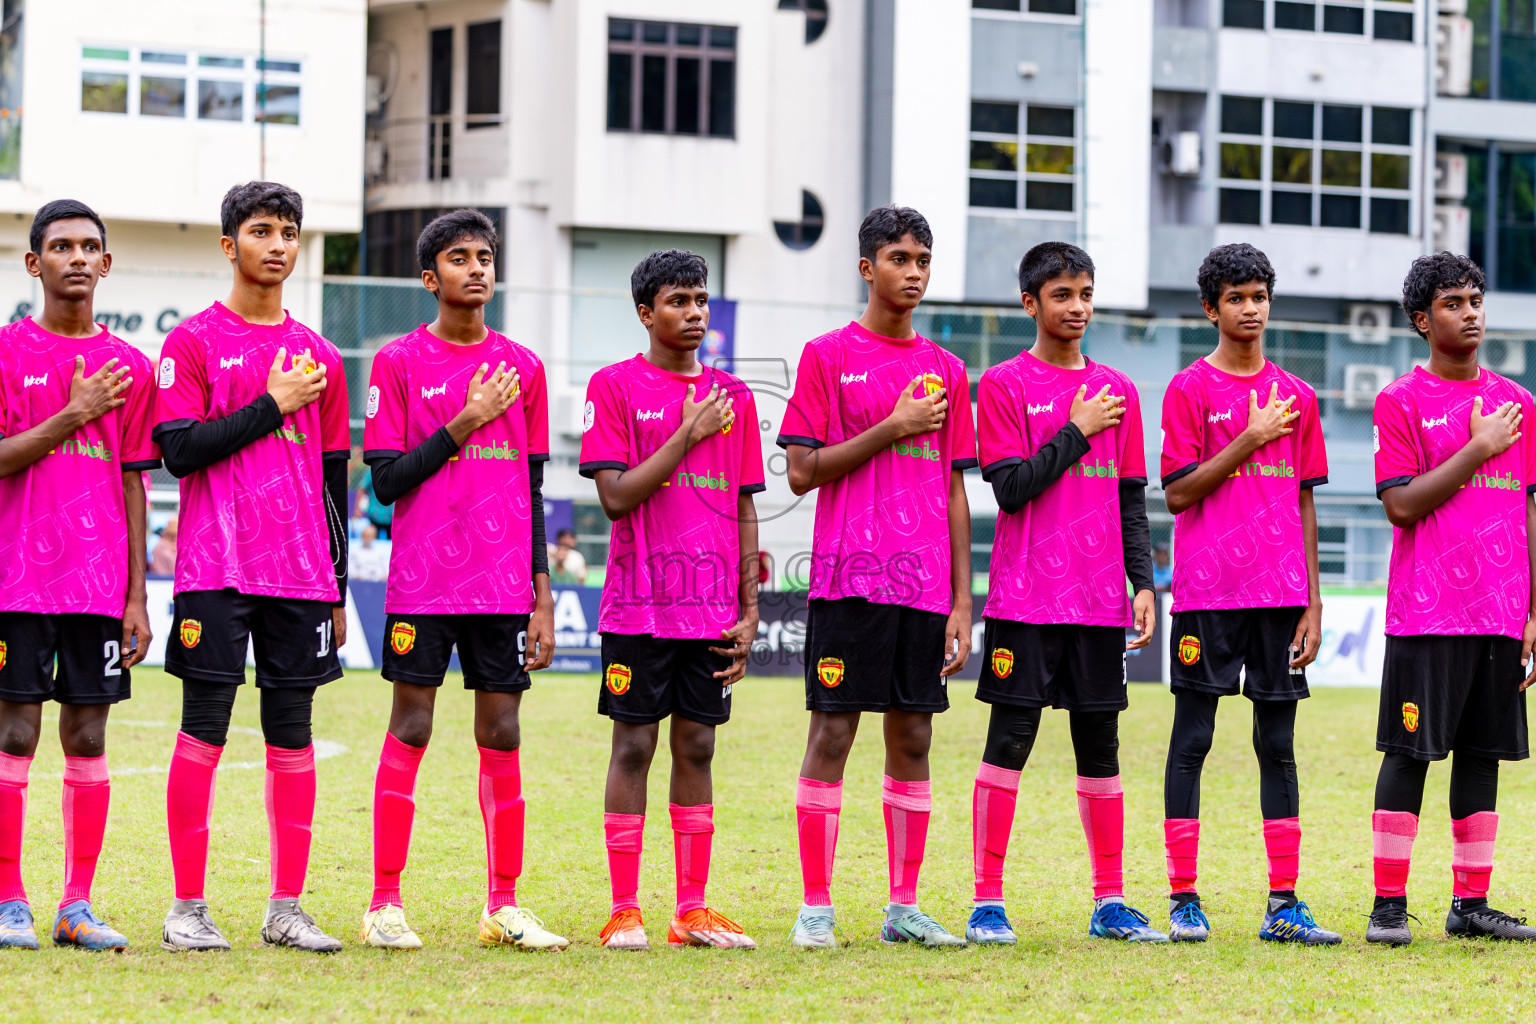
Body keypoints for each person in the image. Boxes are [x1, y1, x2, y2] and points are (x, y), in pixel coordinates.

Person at [154, 181, 351, 953]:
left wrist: (335, 583)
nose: (278, 245)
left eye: (290, 232)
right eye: (262, 231)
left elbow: (335, 479)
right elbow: (179, 450)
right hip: (215, 568)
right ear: (229, 244)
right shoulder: (192, 342)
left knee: (292, 734)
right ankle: (186, 910)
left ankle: (285, 909)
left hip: (300, 577)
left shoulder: (325, 357)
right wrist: (270, 402)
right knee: (203, 729)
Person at [359, 209, 562, 951]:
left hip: (503, 585)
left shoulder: (526, 367)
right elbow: (385, 483)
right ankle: (384, 904)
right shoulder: (398, 363)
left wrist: (540, 591)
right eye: (458, 257)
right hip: (423, 583)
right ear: (429, 277)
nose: (476, 268)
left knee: (502, 730)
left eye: (485, 256)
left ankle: (503, 905)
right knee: (411, 724)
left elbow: (533, 488)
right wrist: (465, 421)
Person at [778, 206, 975, 948]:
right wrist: (890, 426)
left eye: (923, 258)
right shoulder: (828, 355)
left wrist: (962, 598)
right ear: (868, 268)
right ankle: (816, 908)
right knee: (833, 731)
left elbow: (956, 489)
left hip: (924, 590)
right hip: (849, 581)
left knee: (915, 735)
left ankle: (903, 907)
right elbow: (800, 472)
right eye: (899, 258)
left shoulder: (950, 370)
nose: (914, 271)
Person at [966, 241, 1163, 946]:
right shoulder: (1005, 385)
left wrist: (1144, 583)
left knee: (1100, 745)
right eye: (1062, 295)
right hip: (1024, 599)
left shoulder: (1121, 391)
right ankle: (987, 903)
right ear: (1031, 304)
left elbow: (1130, 501)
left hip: (1099, 603)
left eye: (1085, 293)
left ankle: (1110, 901)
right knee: (1010, 740)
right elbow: (1013, 488)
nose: (1077, 307)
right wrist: (1076, 431)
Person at [580, 249, 763, 950]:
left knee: (698, 746)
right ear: (646, 312)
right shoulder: (615, 386)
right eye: (679, 301)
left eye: (701, 300)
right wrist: (687, 433)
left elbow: (746, 506)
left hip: (711, 608)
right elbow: (616, 497)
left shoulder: (735, 398)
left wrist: (749, 608)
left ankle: (691, 910)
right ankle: (625, 910)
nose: (694, 313)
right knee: (634, 745)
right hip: (638, 607)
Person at [1158, 243, 1338, 945]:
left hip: (1279, 598)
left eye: (1259, 295)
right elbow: (1176, 493)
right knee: (1193, 740)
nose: (1250, 308)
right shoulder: (1189, 390)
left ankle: (1284, 904)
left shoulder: (1299, 395)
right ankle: (1183, 899)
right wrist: (1250, 437)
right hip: (1207, 593)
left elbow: (1303, 502)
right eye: (1236, 297)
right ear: (1212, 308)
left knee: (1278, 745)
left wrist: (1313, 601)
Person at [0, 200, 158, 950]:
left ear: (105, 263)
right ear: (34, 263)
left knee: (89, 736)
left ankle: (76, 906)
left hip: (97, 586)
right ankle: (9, 902)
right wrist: (72, 412)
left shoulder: (132, 367)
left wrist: (136, 593)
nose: (75, 257)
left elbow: (134, 482)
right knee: (15, 731)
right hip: (16, 579)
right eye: (59, 246)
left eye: (89, 246)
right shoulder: (5, 352)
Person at [1365, 252, 1536, 945]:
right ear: (1421, 318)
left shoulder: (1520, 403)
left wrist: (1532, 610)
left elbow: (1528, 509)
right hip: (1427, 610)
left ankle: (1471, 905)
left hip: (1500, 613)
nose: (1470, 313)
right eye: (1453, 303)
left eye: (1475, 300)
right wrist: (1477, 447)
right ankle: (1387, 906)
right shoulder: (1400, 401)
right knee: (1409, 754)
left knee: (1483, 754)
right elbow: (1402, 506)